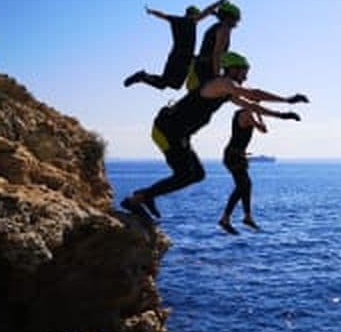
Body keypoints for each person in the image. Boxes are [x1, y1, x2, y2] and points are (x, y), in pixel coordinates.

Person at [120, 51, 309, 221]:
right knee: (185, 174)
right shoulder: (222, 83)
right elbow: (253, 94)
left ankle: (145, 195)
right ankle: (137, 199)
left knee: (197, 174)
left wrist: (282, 115)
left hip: (179, 134)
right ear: (233, 69)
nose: (246, 75)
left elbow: (251, 105)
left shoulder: (226, 91)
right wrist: (287, 99)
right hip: (166, 131)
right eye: (244, 71)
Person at [123, 0, 231, 90]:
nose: (198, 20)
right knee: (170, 84)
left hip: (177, 56)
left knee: (167, 84)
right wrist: (220, 2)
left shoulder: (176, 20)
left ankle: (143, 76)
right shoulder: (191, 21)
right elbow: (207, 11)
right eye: (197, 16)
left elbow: (162, 15)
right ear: (193, 14)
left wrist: (151, 11)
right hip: (183, 59)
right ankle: (142, 76)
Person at [218, 107, 270, 234]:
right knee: (243, 185)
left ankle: (246, 216)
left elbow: (263, 129)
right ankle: (227, 218)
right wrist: (258, 115)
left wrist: (259, 115)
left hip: (237, 156)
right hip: (233, 156)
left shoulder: (248, 114)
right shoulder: (244, 114)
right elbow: (262, 129)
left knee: (245, 185)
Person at [188, 0, 241, 91]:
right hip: (208, 67)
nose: (236, 22)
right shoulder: (224, 29)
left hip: (201, 65)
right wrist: (217, 76)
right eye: (236, 19)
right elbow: (217, 53)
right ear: (230, 17)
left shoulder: (217, 26)